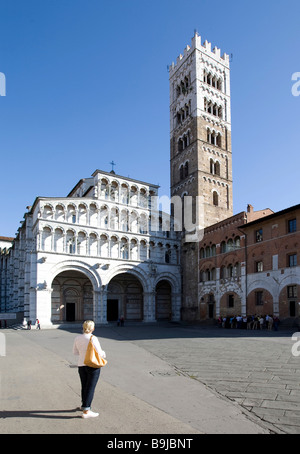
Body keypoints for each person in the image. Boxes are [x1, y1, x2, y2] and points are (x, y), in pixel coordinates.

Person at [73, 320, 106, 419]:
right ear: (93, 329)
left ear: (83, 327)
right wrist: (104, 353)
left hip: (81, 365)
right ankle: (87, 411)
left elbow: (75, 352)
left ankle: (84, 405)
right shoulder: (93, 338)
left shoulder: (77, 338)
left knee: (84, 386)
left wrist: (83, 353)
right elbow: (100, 353)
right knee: (90, 387)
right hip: (92, 365)